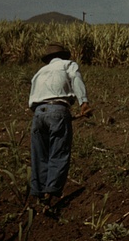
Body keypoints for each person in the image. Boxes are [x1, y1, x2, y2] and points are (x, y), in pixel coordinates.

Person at [27, 42, 92, 210]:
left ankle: (38, 194)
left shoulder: (39, 72)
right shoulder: (68, 64)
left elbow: (33, 98)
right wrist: (83, 103)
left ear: (48, 58)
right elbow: (76, 79)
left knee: (39, 155)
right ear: (64, 56)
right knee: (58, 153)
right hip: (58, 110)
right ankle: (49, 195)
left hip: (38, 113)